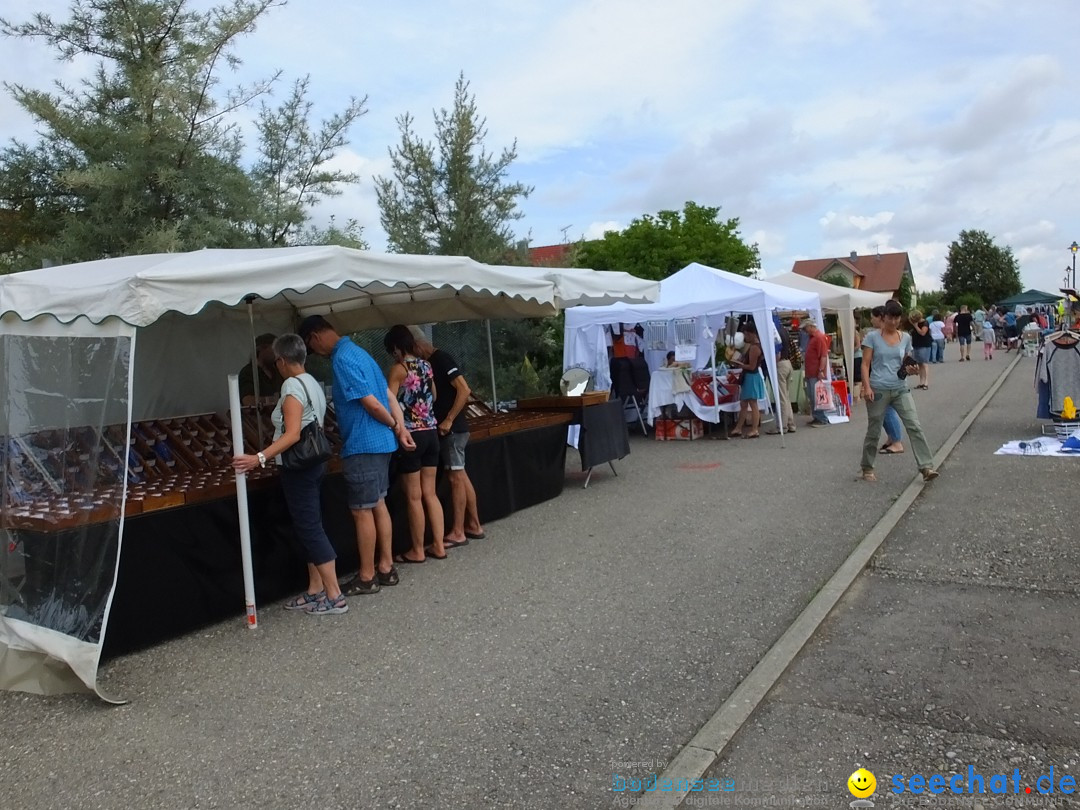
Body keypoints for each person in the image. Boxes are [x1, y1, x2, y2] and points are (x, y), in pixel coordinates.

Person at [298, 315, 415, 596]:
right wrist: (399, 428)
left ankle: (367, 575)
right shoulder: (361, 353)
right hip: (382, 443)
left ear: (314, 337)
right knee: (379, 503)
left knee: (361, 511)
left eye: (312, 348)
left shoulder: (342, 360)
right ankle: (386, 568)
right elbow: (388, 394)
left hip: (363, 444)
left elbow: (372, 403)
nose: (317, 354)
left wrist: (393, 424)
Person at [232, 335, 346, 615]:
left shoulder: (292, 386)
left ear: (281, 361)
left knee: (309, 527)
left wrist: (258, 457)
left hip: (299, 467)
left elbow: (293, 433)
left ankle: (335, 594)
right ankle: (316, 588)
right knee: (311, 524)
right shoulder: (312, 383)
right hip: (314, 464)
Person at [409, 326, 485, 545]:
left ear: (417, 344)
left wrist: (449, 419)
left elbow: (464, 389)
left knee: (455, 477)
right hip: (452, 428)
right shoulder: (433, 362)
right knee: (461, 475)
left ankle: (459, 531)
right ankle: (474, 524)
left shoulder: (441, 359)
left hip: (452, 429)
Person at [383, 325, 446, 564]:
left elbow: (389, 400)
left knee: (414, 497)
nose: (393, 355)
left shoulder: (398, 370)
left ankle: (418, 550)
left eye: (392, 350)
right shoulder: (426, 365)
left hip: (411, 435)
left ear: (397, 348)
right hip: (431, 432)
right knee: (430, 493)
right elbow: (435, 396)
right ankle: (439, 545)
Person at [859, 300, 939, 483]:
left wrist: (911, 370)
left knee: (914, 425)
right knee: (874, 431)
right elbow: (865, 364)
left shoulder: (905, 337)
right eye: (890, 318)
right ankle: (867, 467)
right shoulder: (872, 337)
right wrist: (867, 387)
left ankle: (926, 467)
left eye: (896, 318)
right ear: (883, 317)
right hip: (878, 388)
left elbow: (906, 361)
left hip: (900, 388)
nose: (893, 322)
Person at [866, 306, 905, 455]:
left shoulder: (879, 337)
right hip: (884, 380)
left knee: (887, 411)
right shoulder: (875, 336)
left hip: (885, 381)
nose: (871, 320)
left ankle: (896, 441)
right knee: (885, 411)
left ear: (880, 317)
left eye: (873, 317)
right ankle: (891, 438)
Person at [729, 322, 765, 438]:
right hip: (751, 376)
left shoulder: (754, 347)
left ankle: (754, 429)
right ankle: (739, 427)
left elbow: (752, 366)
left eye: (746, 334)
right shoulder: (756, 345)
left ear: (750, 333)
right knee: (744, 403)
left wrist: (739, 364)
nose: (745, 337)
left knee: (752, 403)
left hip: (751, 376)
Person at [766, 317, 797, 435]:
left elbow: (777, 354)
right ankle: (790, 423)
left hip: (780, 365)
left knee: (781, 397)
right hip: (788, 363)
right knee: (786, 396)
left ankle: (782, 426)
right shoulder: (784, 330)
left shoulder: (774, 332)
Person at [238, 332, 285, 406]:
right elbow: (247, 401)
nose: (278, 353)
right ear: (262, 348)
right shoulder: (248, 372)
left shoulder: (278, 371)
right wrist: (273, 400)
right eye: (275, 349)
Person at [801, 321, 831, 427]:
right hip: (811, 372)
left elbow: (823, 355)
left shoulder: (818, 337)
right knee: (812, 395)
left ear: (810, 326)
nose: (804, 331)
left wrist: (821, 370)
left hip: (815, 372)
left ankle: (821, 418)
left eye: (805, 328)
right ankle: (817, 416)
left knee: (816, 396)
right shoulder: (813, 338)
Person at [907, 309, 932, 390]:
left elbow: (922, 333)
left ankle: (926, 382)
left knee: (924, 363)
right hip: (916, 345)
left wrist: (915, 326)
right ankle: (921, 382)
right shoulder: (915, 323)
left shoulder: (925, 323)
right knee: (919, 364)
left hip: (924, 345)